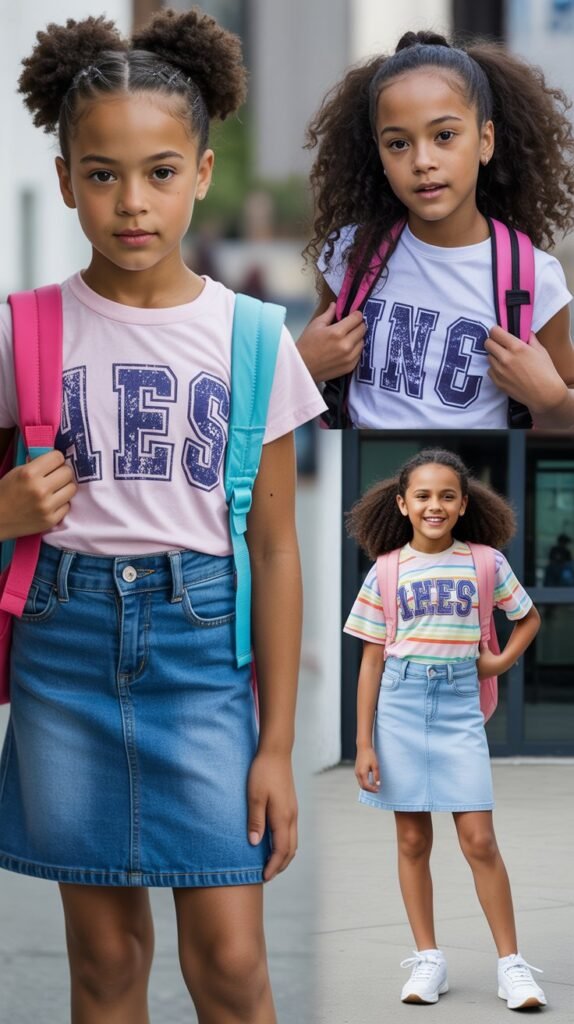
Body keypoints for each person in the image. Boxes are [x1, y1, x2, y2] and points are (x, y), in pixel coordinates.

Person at [0, 10, 325, 1024]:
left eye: (159, 172)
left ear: (200, 171)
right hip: (63, 654)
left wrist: (276, 744)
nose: (131, 202)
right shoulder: (22, 331)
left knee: (229, 962)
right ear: (63, 181)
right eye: (101, 174)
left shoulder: (255, 338)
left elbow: (274, 549)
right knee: (104, 963)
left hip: (203, 660)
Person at [344, 448, 546, 1009]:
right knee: (412, 839)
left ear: (463, 505)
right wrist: (364, 742)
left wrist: (500, 661)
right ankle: (429, 958)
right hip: (400, 706)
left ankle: (512, 965)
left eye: (447, 495)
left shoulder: (484, 562)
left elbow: (526, 617)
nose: (435, 505)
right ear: (403, 503)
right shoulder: (386, 570)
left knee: (479, 839)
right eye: (424, 495)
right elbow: (370, 661)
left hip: (458, 705)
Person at [297, 31, 574, 429]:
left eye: (444, 136)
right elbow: (286, 395)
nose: (422, 161)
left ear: (485, 141)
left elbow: (563, 408)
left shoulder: (534, 276)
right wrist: (301, 363)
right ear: (378, 151)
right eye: (398, 144)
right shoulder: (351, 253)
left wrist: (551, 399)